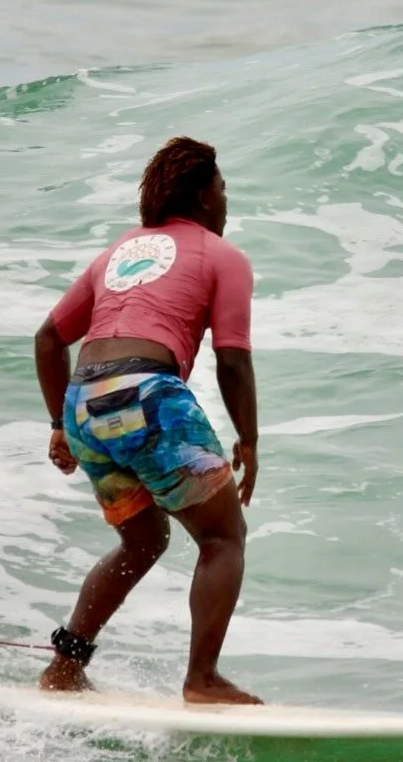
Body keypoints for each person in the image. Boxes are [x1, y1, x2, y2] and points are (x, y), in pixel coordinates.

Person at [34, 136, 261, 704]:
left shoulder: (117, 254)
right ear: (205, 197)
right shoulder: (221, 256)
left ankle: (65, 665)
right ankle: (202, 680)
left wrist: (60, 424)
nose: (226, 202)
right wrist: (250, 441)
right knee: (222, 538)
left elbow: (48, 338)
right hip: (144, 395)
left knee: (141, 539)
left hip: (84, 403)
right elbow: (232, 358)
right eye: (223, 189)